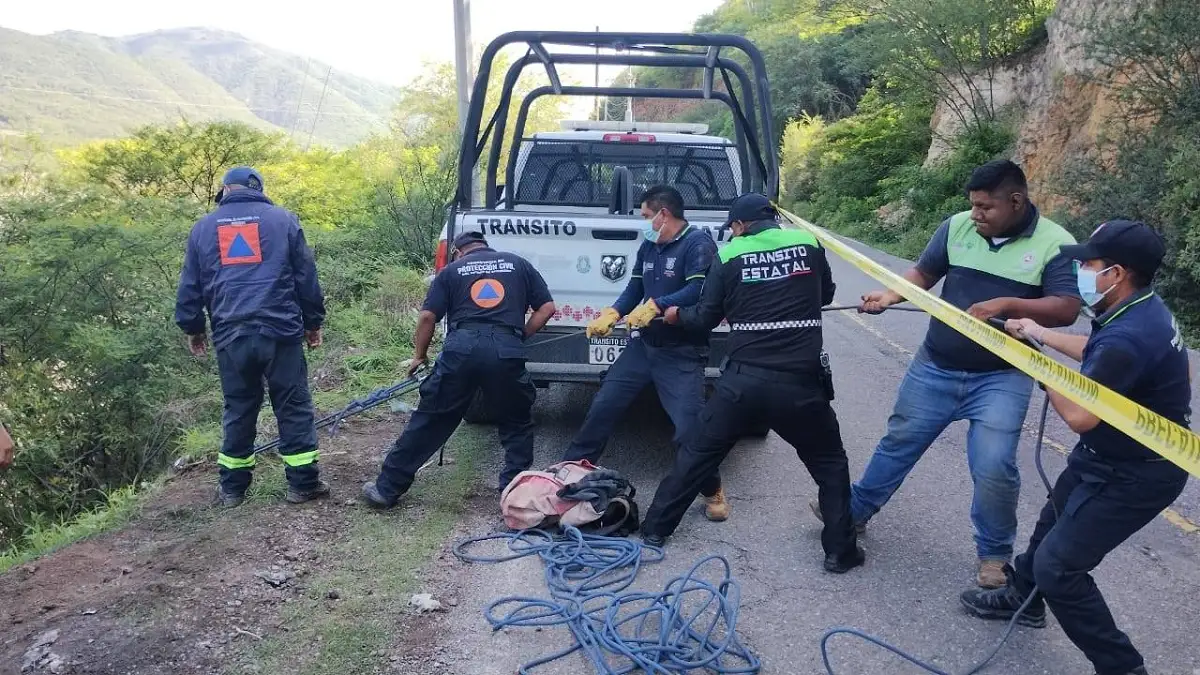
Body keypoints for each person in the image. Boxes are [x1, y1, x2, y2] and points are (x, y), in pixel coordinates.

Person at [824, 160, 1082, 588]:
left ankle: (994, 556)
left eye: (985, 207)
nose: (975, 215)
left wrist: (1004, 304)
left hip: (1002, 377)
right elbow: (924, 273)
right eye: (973, 206)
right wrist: (890, 295)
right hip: (936, 365)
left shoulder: (1055, 243)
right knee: (900, 440)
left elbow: (1066, 307)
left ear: (1016, 201)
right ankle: (853, 513)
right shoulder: (957, 227)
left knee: (995, 465)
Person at [960, 220, 1191, 675]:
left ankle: (1122, 667)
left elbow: (1081, 416)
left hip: (1137, 474)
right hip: (1107, 456)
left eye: (1089, 263)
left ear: (1117, 273)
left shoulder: (1130, 334)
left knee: (1060, 570)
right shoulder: (1140, 309)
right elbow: (1097, 350)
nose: (1082, 269)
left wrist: (1038, 365)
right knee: (1051, 522)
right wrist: (1039, 332)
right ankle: (1023, 600)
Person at [640, 193, 864, 573]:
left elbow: (705, 317)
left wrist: (678, 316)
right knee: (829, 463)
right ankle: (840, 552)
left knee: (697, 455)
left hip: (743, 383)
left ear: (740, 226)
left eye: (733, 228)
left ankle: (654, 531)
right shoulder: (809, 243)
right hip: (801, 384)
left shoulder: (730, 256)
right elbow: (824, 295)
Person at [562, 185, 730, 521]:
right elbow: (634, 287)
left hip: (682, 351)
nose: (644, 223)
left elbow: (698, 289)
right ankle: (570, 475)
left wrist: (657, 305)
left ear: (663, 214)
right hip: (643, 346)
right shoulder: (650, 245)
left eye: (645, 216)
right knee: (603, 407)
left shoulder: (698, 244)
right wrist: (612, 314)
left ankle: (712, 490)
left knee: (688, 427)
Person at [361, 230, 556, 507]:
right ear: (486, 247)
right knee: (516, 421)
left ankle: (386, 489)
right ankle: (515, 498)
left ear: (458, 251)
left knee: (431, 419)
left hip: (460, 349)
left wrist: (419, 355)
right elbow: (547, 308)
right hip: (505, 349)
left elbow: (428, 316)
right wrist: (519, 336)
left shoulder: (452, 271)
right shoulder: (518, 264)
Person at [175, 166, 328, 508]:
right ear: (258, 188)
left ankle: (232, 490)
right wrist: (313, 322)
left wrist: (194, 328)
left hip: (231, 335)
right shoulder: (283, 220)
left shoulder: (202, 229)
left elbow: (190, 285)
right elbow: (306, 277)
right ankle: (303, 485)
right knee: (293, 405)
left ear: (225, 191)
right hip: (281, 332)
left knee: (239, 408)